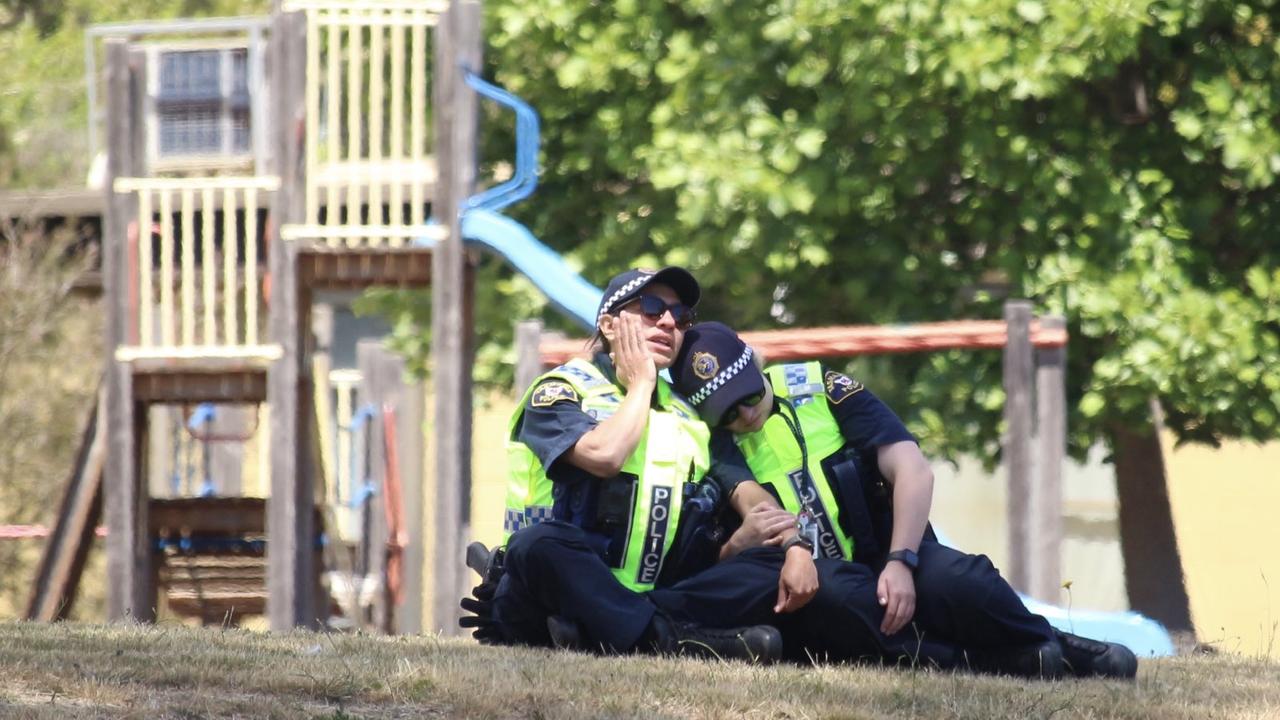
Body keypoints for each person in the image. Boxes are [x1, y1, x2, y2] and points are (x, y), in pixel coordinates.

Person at [669, 321, 1140, 679]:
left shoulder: (823, 390)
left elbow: (911, 468)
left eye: (747, 395)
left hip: (891, 551)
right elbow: (754, 506)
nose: (745, 414)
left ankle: (1053, 642)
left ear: (756, 363)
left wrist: (900, 560)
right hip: (824, 580)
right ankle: (993, 661)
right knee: (842, 601)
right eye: (726, 411)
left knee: (960, 580)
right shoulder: (716, 444)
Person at [460, 268, 822, 663]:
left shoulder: (691, 415)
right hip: (551, 593)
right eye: (651, 308)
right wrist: (641, 385)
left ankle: (605, 633)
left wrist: (795, 547)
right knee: (538, 546)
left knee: (765, 566)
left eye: (681, 316)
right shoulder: (560, 390)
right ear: (608, 325)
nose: (668, 321)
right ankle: (674, 641)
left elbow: (755, 503)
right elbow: (605, 456)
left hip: (655, 594)